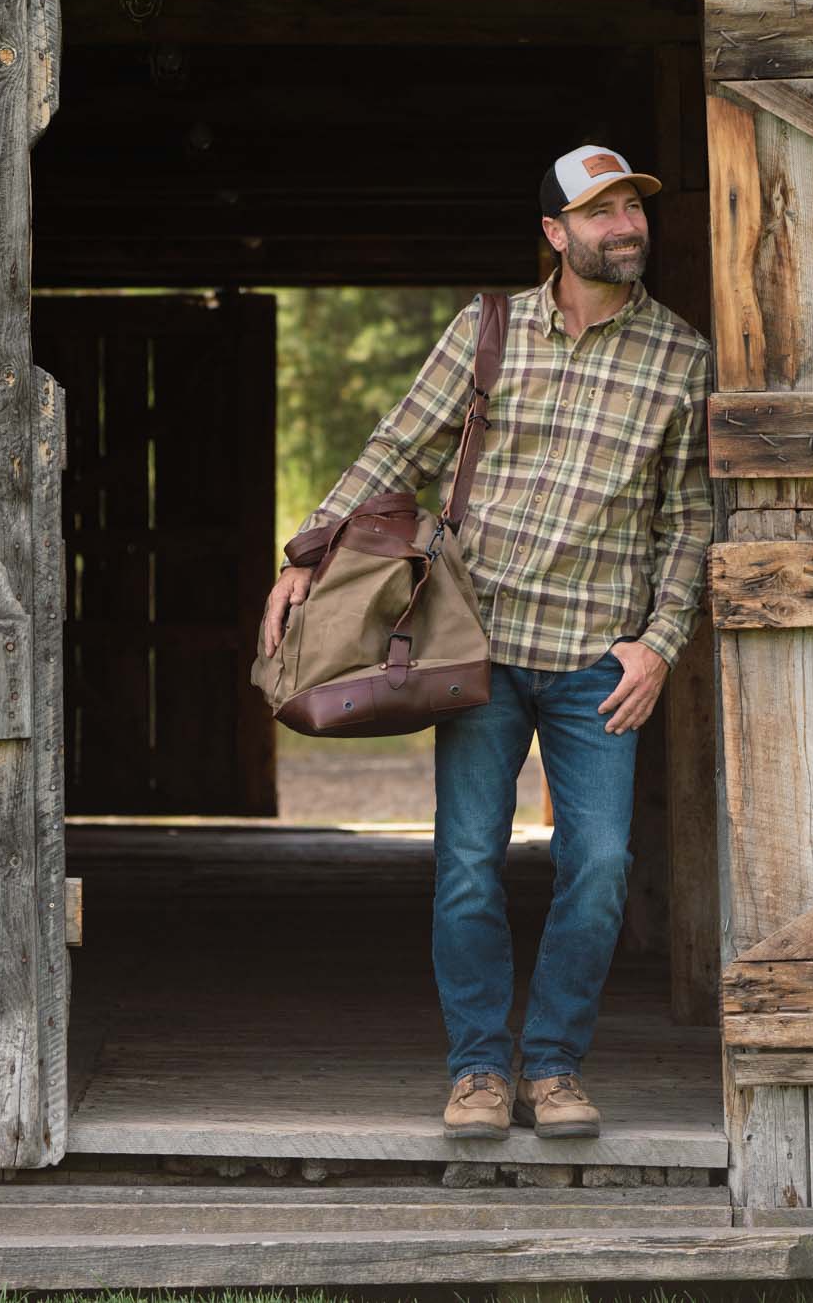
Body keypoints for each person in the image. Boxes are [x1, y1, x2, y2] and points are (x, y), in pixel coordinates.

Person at [259, 145, 713, 1140]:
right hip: (478, 646)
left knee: (596, 865)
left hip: (599, 656)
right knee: (468, 859)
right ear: (553, 234)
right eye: (599, 214)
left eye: (631, 209)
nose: (624, 227)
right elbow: (396, 449)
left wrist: (658, 642)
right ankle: (475, 1068)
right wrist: (305, 555)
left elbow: (686, 518)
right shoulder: (488, 329)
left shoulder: (679, 356)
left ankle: (550, 1066)